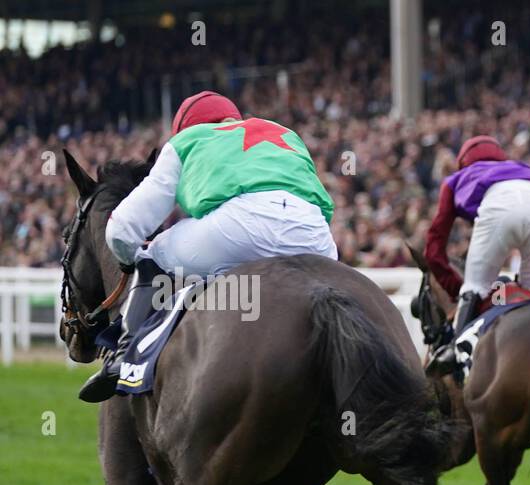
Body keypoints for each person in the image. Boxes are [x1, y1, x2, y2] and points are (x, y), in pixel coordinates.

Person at [78, 90, 337, 403]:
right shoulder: (286, 134)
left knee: (150, 253)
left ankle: (122, 356)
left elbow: (122, 229)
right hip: (315, 235)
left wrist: (129, 258)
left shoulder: (187, 141)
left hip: (242, 227)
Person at [422, 135, 530, 367]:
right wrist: (525, 282)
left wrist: (456, 288)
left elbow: (433, 247)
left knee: (474, 289)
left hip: (498, 213)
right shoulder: (528, 172)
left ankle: (455, 355)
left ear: (464, 162)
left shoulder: (455, 180)